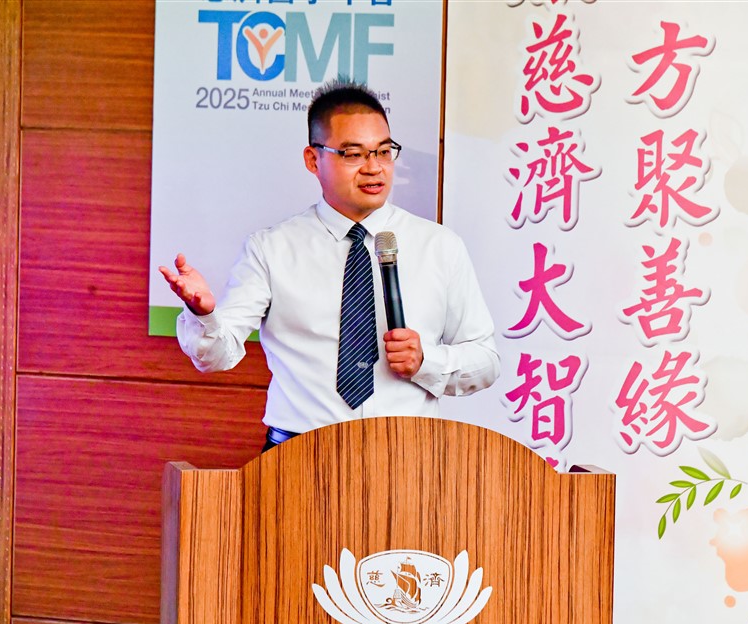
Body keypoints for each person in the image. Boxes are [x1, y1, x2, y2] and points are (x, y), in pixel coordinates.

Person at [158, 80, 499, 452]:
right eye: (353, 154)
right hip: (299, 454)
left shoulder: (440, 246)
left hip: (407, 457)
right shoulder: (271, 249)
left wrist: (426, 360)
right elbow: (217, 357)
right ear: (312, 159)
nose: (374, 168)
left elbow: (485, 361)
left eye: (384, 152)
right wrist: (203, 314)